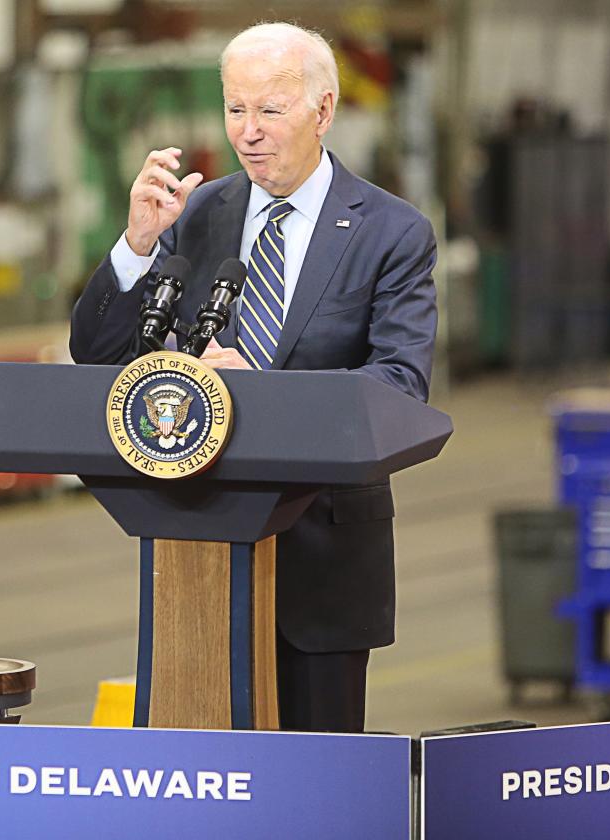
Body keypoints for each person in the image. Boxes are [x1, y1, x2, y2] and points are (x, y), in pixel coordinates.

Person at [70, 22, 437, 733]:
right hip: (195, 554)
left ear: (322, 111)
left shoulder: (391, 233)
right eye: (235, 110)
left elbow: (398, 386)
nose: (248, 133)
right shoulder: (198, 214)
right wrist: (136, 245)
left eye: (269, 111)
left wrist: (262, 394)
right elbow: (101, 354)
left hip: (323, 564)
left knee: (313, 788)